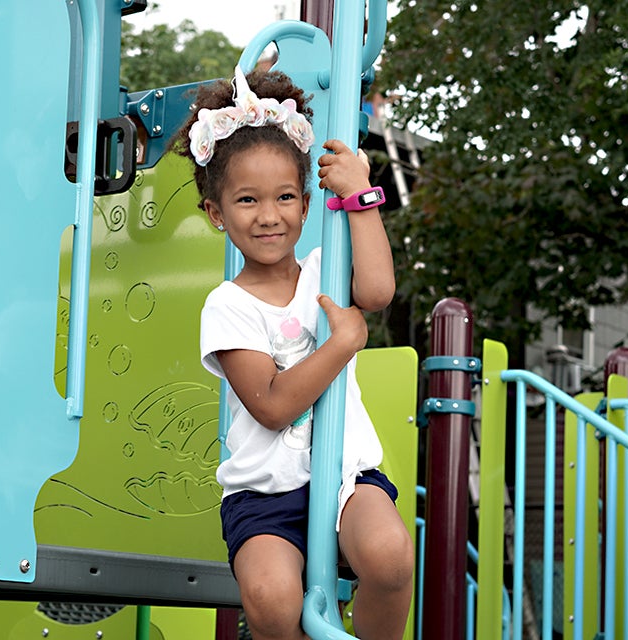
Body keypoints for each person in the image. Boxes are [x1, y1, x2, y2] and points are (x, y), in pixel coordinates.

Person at [172, 65, 414, 640]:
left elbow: (377, 292)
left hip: (346, 480)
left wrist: (360, 199)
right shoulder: (227, 306)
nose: (268, 215)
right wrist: (344, 342)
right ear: (216, 213)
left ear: (306, 205)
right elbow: (274, 406)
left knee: (391, 556)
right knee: (270, 599)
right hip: (263, 497)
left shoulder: (323, 272)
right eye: (247, 200)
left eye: (284, 197)